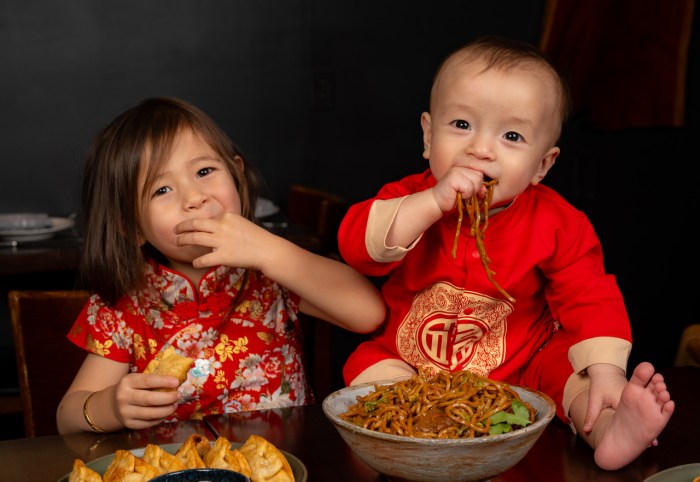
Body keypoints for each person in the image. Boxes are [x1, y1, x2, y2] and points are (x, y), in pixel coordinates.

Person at [337, 36, 674, 471]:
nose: (481, 148)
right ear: (427, 134)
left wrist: (607, 368)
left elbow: (589, 294)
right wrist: (432, 203)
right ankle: (421, 432)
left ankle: (607, 427)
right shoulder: (410, 197)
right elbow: (358, 248)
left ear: (542, 165)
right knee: (367, 366)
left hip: (522, 366)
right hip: (413, 362)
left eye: (512, 135)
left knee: (573, 376)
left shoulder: (557, 221)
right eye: (461, 125)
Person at [56, 97, 386, 434]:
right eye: (162, 189)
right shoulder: (126, 304)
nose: (193, 197)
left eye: (204, 171)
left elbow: (368, 312)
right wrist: (109, 407)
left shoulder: (271, 272)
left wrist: (269, 252)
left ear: (237, 176)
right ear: (131, 225)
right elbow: (67, 418)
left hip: (281, 465)